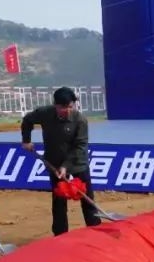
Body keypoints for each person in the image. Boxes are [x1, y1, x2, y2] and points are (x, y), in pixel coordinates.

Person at [20, 86, 101, 237]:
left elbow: (80, 146)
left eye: (70, 107)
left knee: (87, 198)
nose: (67, 110)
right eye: (63, 107)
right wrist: (26, 140)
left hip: (78, 163)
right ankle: (60, 234)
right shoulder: (45, 113)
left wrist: (66, 166)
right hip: (54, 163)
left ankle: (95, 231)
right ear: (55, 105)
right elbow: (27, 120)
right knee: (59, 200)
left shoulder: (80, 120)